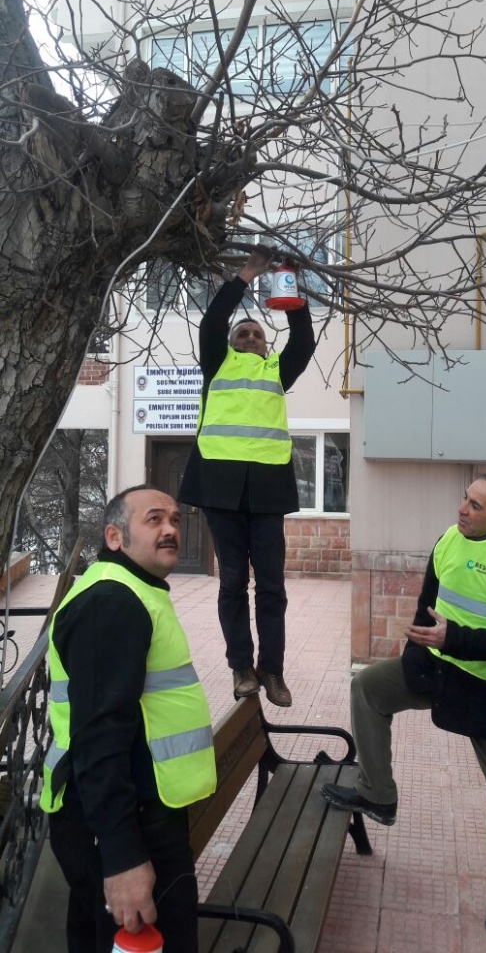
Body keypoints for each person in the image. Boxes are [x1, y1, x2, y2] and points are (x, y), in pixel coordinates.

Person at [322, 474, 486, 935]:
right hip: (437, 667)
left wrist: (452, 639)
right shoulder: (449, 539)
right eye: (465, 499)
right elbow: (427, 605)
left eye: (477, 506)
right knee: (369, 688)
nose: (463, 509)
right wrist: (417, 656)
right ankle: (378, 794)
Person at [40, 486, 216, 953]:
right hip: (122, 825)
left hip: (132, 814)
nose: (171, 530)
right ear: (115, 537)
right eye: (155, 519)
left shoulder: (132, 592)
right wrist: (122, 858)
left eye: (176, 520)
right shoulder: (111, 603)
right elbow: (98, 738)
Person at [178, 246, 315, 708]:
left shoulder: (279, 369)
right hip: (220, 487)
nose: (252, 335)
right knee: (232, 581)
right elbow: (212, 321)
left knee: (272, 585)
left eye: (257, 332)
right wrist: (248, 274)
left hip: (268, 489)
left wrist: (290, 283)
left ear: (265, 343)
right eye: (245, 331)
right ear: (234, 341)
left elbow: (304, 341)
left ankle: (271, 670)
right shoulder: (216, 363)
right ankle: (241, 666)